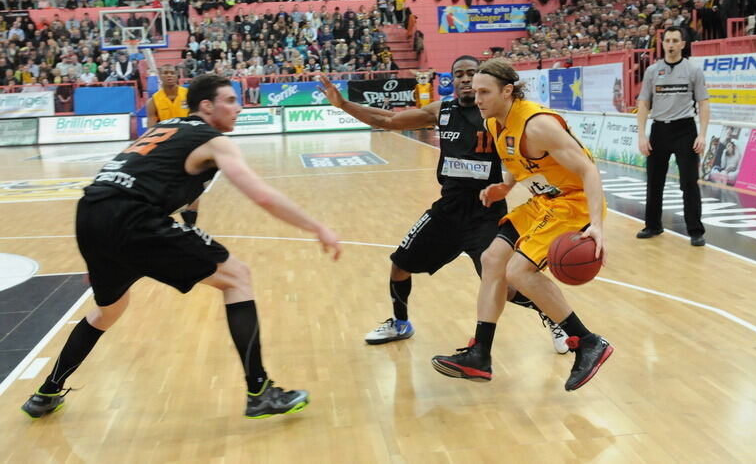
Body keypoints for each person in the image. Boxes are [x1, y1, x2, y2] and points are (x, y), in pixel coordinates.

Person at [21, 74, 342, 420]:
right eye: (230, 101)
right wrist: (316, 226)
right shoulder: (212, 139)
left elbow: (139, 179)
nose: (239, 108)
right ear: (207, 106)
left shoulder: (166, 129)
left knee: (107, 312)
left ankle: (47, 392)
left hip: (93, 213)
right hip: (132, 218)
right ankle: (260, 392)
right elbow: (261, 194)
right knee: (237, 278)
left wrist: (104, 250)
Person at [317, 56, 568, 354]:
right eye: (458, 74)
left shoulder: (498, 115)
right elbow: (388, 120)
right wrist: (344, 105)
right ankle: (400, 323)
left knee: (507, 288)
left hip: (485, 214)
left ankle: (556, 318)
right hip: (447, 210)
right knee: (400, 265)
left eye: (471, 74)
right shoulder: (442, 110)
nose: (464, 79)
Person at [430, 58, 613, 391]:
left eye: (485, 91)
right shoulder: (495, 122)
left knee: (518, 272)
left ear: (508, 91)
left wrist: (597, 225)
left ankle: (587, 342)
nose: (477, 97)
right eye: (475, 91)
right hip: (545, 201)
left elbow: (588, 169)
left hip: (575, 203)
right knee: (491, 260)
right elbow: (519, 158)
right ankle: (480, 355)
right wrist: (507, 186)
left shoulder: (538, 124)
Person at [636, 26, 710, 247]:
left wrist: (703, 135)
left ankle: (695, 231)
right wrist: (641, 134)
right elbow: (643, 103)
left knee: (689, 182)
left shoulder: (693, 71)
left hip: (685, 130)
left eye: (674, 40)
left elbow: (703, 104)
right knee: (654, 181)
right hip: (659, 130)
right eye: (667, 40)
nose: (670, 44)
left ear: (682, 44)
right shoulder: (652, 71)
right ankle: (653, 225)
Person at [146, 64, 201, 226]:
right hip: (166, 150)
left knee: (193, 187)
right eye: (165, 73)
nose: (169, 75)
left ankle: (191, 227)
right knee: (165, 187)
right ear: (160, 76)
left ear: (177, 75)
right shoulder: (153, 101)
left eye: (172, 73)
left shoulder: (189, 95)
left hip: (189, 147)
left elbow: (198, 119)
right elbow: (151, 129)